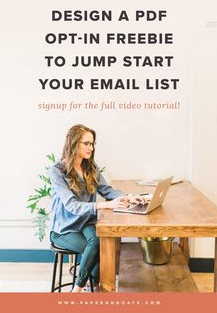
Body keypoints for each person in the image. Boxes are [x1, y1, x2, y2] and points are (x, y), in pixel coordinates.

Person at [49, 124, 146, 293]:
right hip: (64, 229)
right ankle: (80, 289)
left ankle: (90, 286)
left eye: (92, 144)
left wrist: (130, 197)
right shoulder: (57, 171)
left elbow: (107, 190)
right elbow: (72, 205)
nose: (91, 148)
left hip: (85, 222)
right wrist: (107, 205)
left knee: (100, 243)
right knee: (97, 249)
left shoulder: (90, 167)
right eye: (86, 143)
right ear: (73, 144)